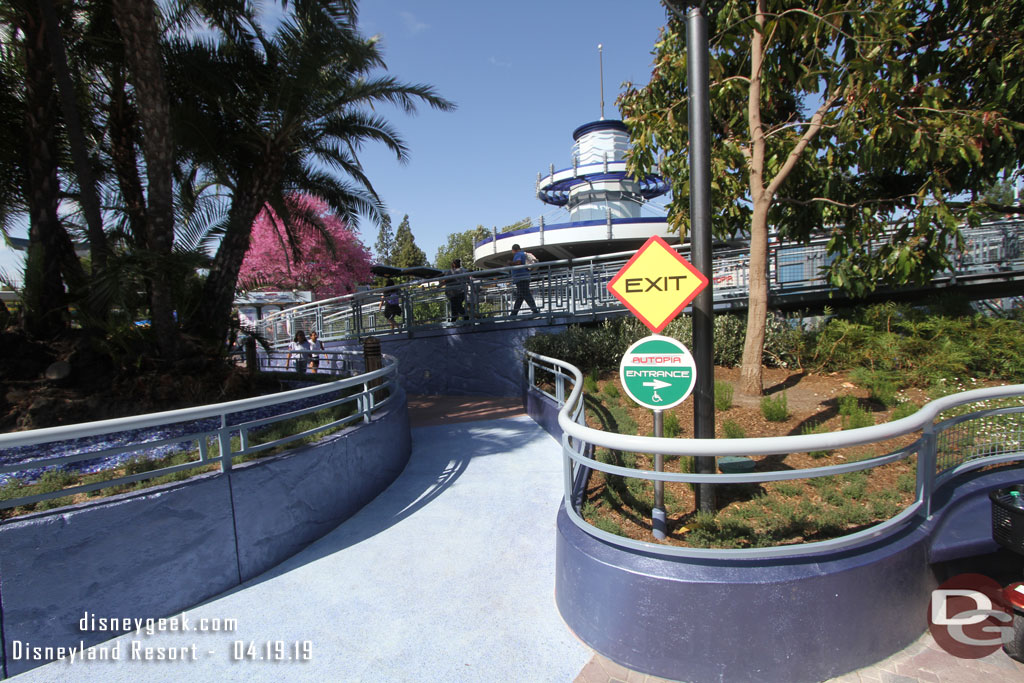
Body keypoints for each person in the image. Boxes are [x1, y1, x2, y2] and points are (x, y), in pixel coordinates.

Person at [510, 243, 539, 317]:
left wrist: (510, 263)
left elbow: (518, 262)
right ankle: (514, 313)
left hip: (520, 278)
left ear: (513, 250)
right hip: (525, 277)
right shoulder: (523, 253)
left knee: (525, 294)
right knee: (521, 295)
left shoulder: (518, 254)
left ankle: (535, 310)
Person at [445, 258, 469, 323]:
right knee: (455, 305)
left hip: (455, 292)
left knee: (456, 305)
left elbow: (446, 280)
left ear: (454, 264)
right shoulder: (464, 271)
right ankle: (455, 318)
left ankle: (464, 316)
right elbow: (468, 280)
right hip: (460, 291)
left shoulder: (451, 271)